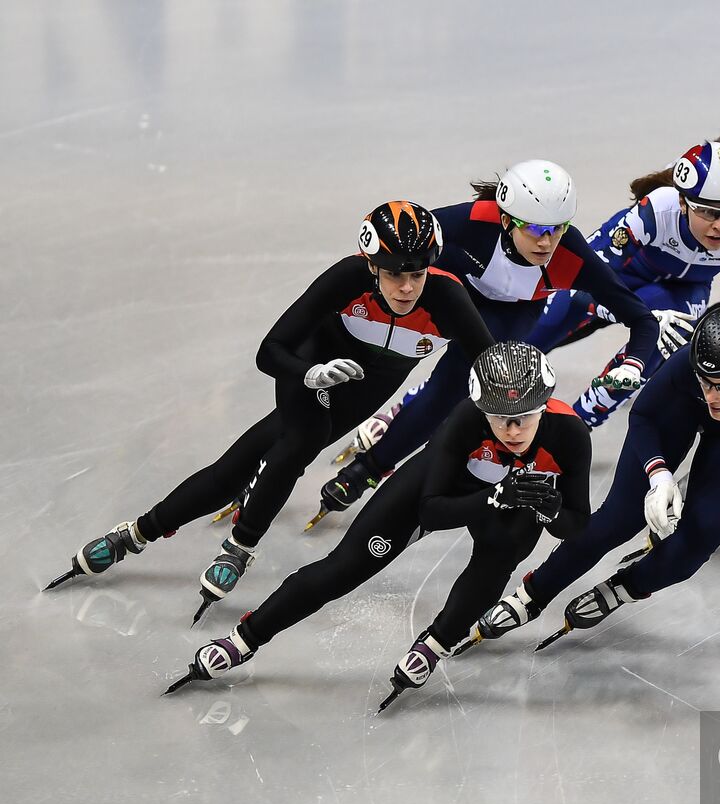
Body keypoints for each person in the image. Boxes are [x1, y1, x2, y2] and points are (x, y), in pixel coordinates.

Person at [44, 202, 495, 620]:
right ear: (372, 265)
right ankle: (240, 547)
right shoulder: (346, 278)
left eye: (417, 273)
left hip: (365, 387)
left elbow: (496, 369)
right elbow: (269, 351)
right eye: (395, 274)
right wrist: (310, 374)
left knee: (237, 467)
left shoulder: (446, 298)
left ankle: (136, 533)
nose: (407, 287)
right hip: (309, 363)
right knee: (298, 443)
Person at [447, 304, 720, 670]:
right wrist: (658, 475)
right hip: (678, 415)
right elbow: (644, 417)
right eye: (707, 382)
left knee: (693, 547)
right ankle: (533, 592)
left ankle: (622, 588)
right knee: (617, 520)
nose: (714, 395)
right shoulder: (694, 364)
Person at [163, 342, 592, 701]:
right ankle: (246, 639)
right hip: (448, 494)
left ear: (545, 407)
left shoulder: (570, 435)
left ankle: (437, 641)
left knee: (500, 556)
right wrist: (495, 497)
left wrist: (550, 509)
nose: (513, 430)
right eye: (500, 418)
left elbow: (575, 527)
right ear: (482, 409)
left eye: (525, 416)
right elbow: (431, 510)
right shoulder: (465, 421)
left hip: (511, 510)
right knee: (343, 568)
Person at [312, 162, 657, 524]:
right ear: (507, 220)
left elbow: (642, 320)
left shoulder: (573, 257)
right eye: (537, 229)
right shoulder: (474, 221)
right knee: (380, 358)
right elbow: (390, 247)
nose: (547, 242)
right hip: (446, 291)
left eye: (558, 229)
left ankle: (364, 471)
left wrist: (633, 363)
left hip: (510, 314)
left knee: (450, 392)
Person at [525, 141, 720, 427]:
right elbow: (579, 282)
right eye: (708, 212)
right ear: (683, 202)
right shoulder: (656, 210)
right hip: (621, 276)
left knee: (663, 339)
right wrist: (642, 319)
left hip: (681, 294)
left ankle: (576, 426)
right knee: (548, 321)